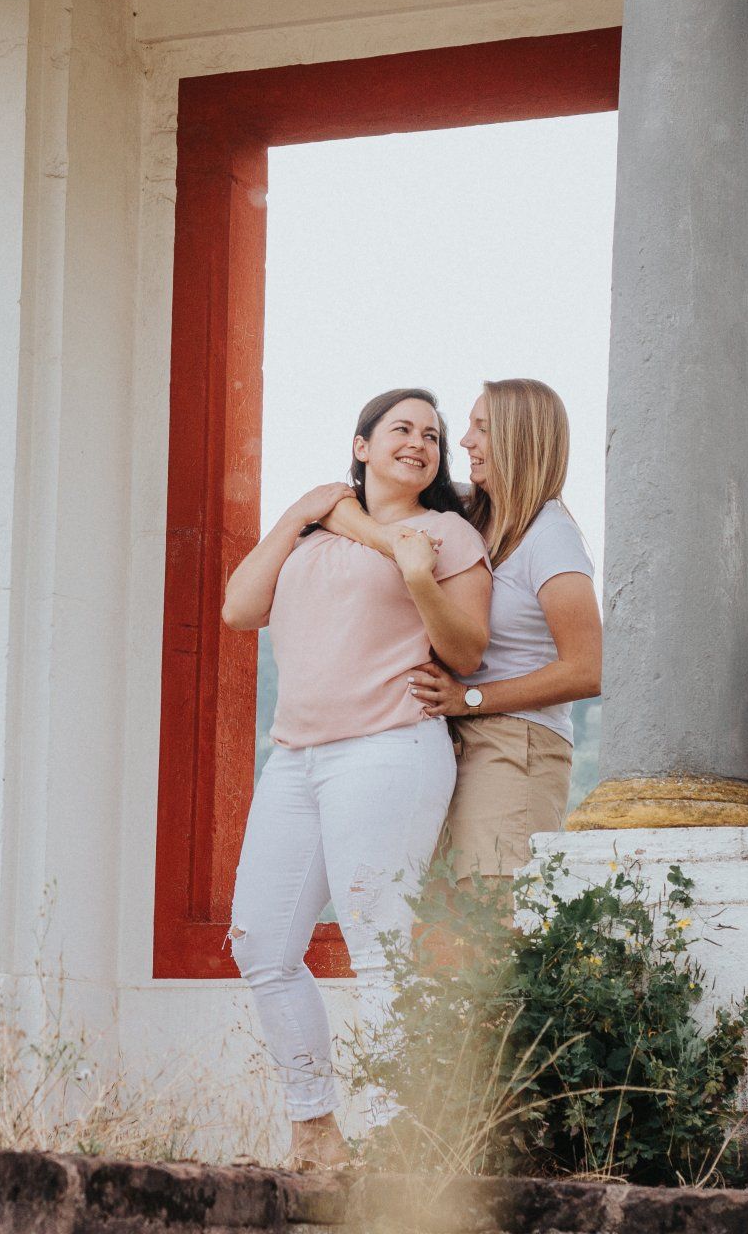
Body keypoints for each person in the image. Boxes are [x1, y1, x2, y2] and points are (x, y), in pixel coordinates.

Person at [220, 388, 492, 1170]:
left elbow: (467, 651)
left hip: (387, 747)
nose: (420, 443)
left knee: (378, 946)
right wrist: (300, 512)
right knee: (262, 944)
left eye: (433, 436)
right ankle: (316, 1131)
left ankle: (391, 1143)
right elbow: (240, 608)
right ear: (361, 445)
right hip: (296, 758)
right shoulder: (312, 533)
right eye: (401, 428)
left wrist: (418, 578)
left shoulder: (444, 533)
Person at [323, 377, 601, 884]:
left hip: (515, 742)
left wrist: (470, 699)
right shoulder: (470, 510)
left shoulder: (551, 537)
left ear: (520, 440)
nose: (466, 442)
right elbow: (337, 502)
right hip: (446, 737)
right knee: (433, 912)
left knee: (489, 910)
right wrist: (387, 540)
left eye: (482, 429)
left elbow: (588, 670)